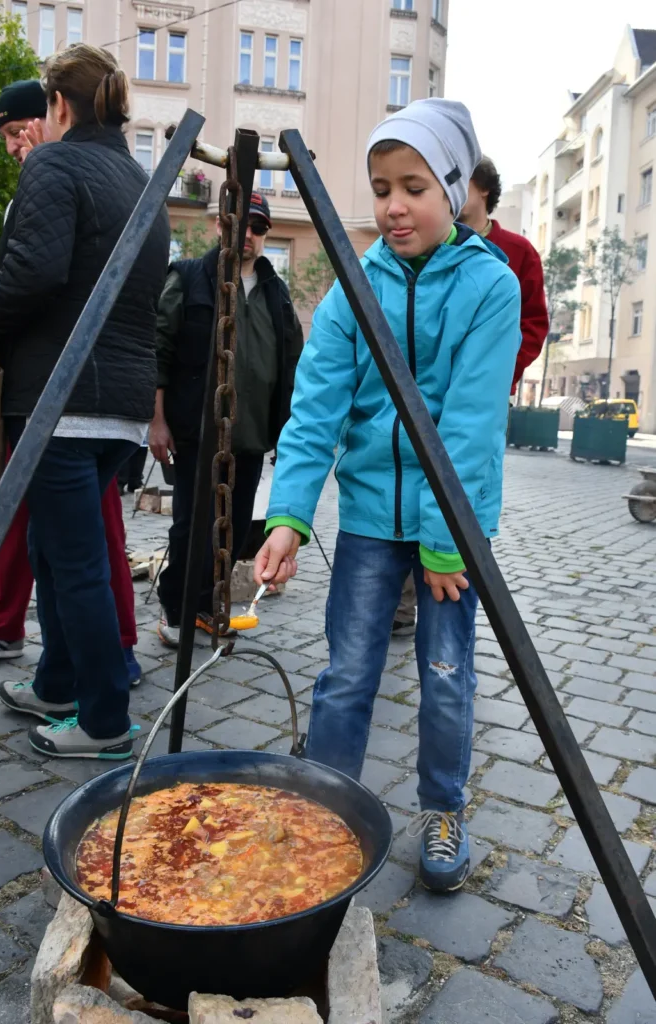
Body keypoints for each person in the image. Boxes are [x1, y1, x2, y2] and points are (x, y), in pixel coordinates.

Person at [253, 99, 521, 892]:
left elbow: (468, 428)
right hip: (370, 518)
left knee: (444, 673)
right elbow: (316, 409)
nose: (393, 206)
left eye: (412, 186)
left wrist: (446, 540)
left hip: (452, 529)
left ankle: (442, 808)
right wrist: (289, 516)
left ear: (452, 187)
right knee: (346, 671)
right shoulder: (351, 288)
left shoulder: (488, 288)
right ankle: (327, 810)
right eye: (379, 189)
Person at [0, 44, 170, 759]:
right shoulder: (138, 177)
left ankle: (105, 720)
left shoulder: (55, 163)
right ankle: (57, 682)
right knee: (57, 551)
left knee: (77, 560)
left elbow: (32, 272)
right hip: (113, 403)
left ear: (57, 105)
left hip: (60, 397)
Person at [393, 155, 549, 637]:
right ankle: (402, 598)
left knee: (465, 478)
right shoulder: (424, 238)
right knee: (401, 487)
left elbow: (532, 325)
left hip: (478, 391)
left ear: (479, 189)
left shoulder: (516, 252)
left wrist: (497, 370)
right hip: (414, 394)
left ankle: (452, 573)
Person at [151, 193, 303, 647]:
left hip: (252, 436)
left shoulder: (276, 292)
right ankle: (177, 609)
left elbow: (293, 361)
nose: (249, 236)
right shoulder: (190, 278)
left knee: (233, 531)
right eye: (241, 225)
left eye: (258, 228)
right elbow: (159, 350)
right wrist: (157, 420)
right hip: (196, 433)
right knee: (190, 527)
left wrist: (291, 429)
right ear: (222, 225)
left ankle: (207, 608)